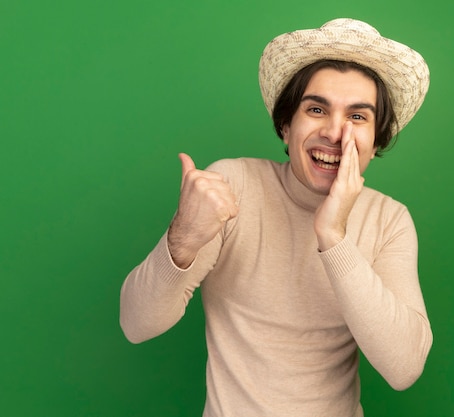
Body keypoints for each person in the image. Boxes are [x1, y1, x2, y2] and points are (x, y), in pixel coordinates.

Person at [120, 18, 432, 417]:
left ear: (376, 139)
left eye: (357, 117)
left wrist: (333, 235)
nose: (335, 133)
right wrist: (183, 236)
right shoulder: (234, 186)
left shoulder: (389, 220)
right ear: (286, 126)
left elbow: (404, 368)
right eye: (317, 109)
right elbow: (136, 324)